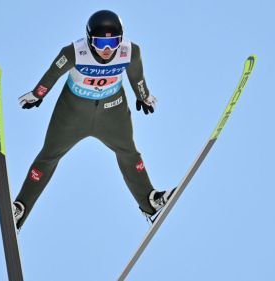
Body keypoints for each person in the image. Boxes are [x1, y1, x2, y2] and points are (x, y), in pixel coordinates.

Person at [13, 10, 174, 230]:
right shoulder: (73, 52)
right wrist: (38, 94)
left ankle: (150, 202)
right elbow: (53, 73)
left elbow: (137, 77)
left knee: (129, 152)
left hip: (112, 111)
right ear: (89, 39)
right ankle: (20, 209)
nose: (107, 50)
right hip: (72, 113)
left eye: (113, 42)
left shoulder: (130, 52)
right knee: (48, 156)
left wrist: (144, 97)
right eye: (99, 43)